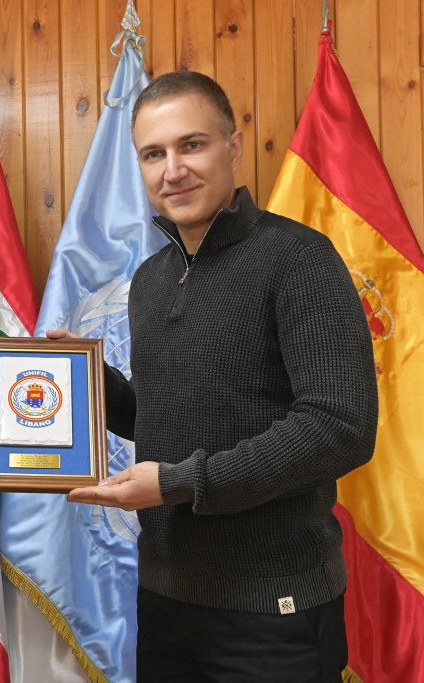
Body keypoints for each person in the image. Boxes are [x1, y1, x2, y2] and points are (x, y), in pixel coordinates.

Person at [62, 71, 379, 681]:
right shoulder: (150, 280)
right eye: (153, 154)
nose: (172, 170)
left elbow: (340, 427)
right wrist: (85, 380)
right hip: (165, 599)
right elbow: (162, 415)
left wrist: (179, 483)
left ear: (233, 147)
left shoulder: (299, 258)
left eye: (192, 145)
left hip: (275, 609)